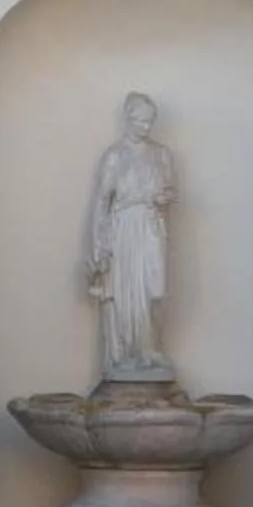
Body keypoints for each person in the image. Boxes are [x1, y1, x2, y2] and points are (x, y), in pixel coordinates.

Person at [85, 92, 176, 382]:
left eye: (150, 121)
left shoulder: (161, 154)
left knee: (155, 291)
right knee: (125, 293)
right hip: (123, 227)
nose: (146, 127)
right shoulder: (115, 155)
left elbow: (171, 190)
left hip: (151, 225)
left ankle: (151, 349)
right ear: (129, 119)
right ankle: (128, 354)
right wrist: (98, 241)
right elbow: (102, 201)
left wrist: (165, 197)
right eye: (140, 121)